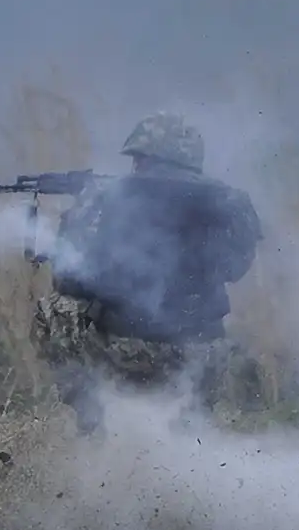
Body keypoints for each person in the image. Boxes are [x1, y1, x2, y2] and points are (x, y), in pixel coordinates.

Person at [31, 112, 263, 435]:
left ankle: (93, 424)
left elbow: (72, 278)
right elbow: (236, 269)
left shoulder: (113, 196)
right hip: (203, 356)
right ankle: (192, 425)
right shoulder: (224, 201)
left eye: (138, 158)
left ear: (148, 158)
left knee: (54, 310)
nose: (134, 166)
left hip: (130, 351)